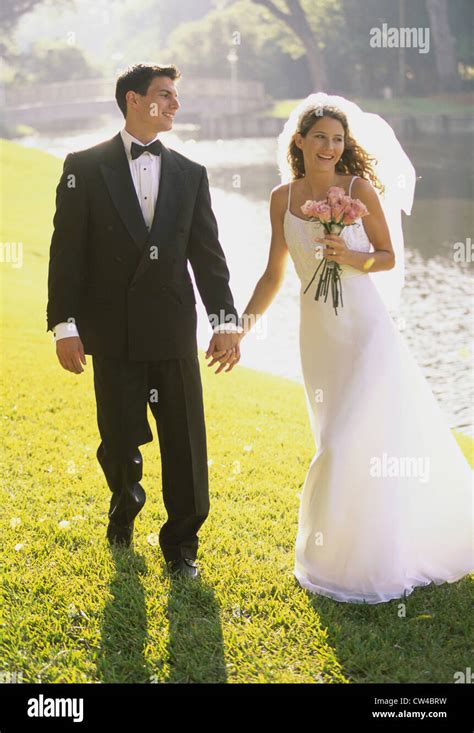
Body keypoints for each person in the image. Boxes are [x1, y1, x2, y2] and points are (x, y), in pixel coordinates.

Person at [234, 94, 473, 604]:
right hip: (318, 337)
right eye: (319, 136)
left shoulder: (357, 188)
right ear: (299, 142)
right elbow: (274, 274)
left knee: (349, 442)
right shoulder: (281, 197)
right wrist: (238, 328)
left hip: (365, 331)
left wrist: (351, 254)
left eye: (337, 139)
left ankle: (361, 562)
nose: (329, 146)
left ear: (346, 146)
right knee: (337, 439)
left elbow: (385, 257)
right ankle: (343, 550)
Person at [47, 63, 242, 577]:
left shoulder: (191, 173)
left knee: (185, 441)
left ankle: (181, 544)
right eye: (165, 95)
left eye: (177, 96)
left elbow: (208, 256)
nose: (176, 105)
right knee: (118, 436)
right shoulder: (82, 167)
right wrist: (65, 326)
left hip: (174, 331)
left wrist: (225, 319)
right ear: (134, 100)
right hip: (111, 334)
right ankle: (125, 499)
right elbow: (65, 255)